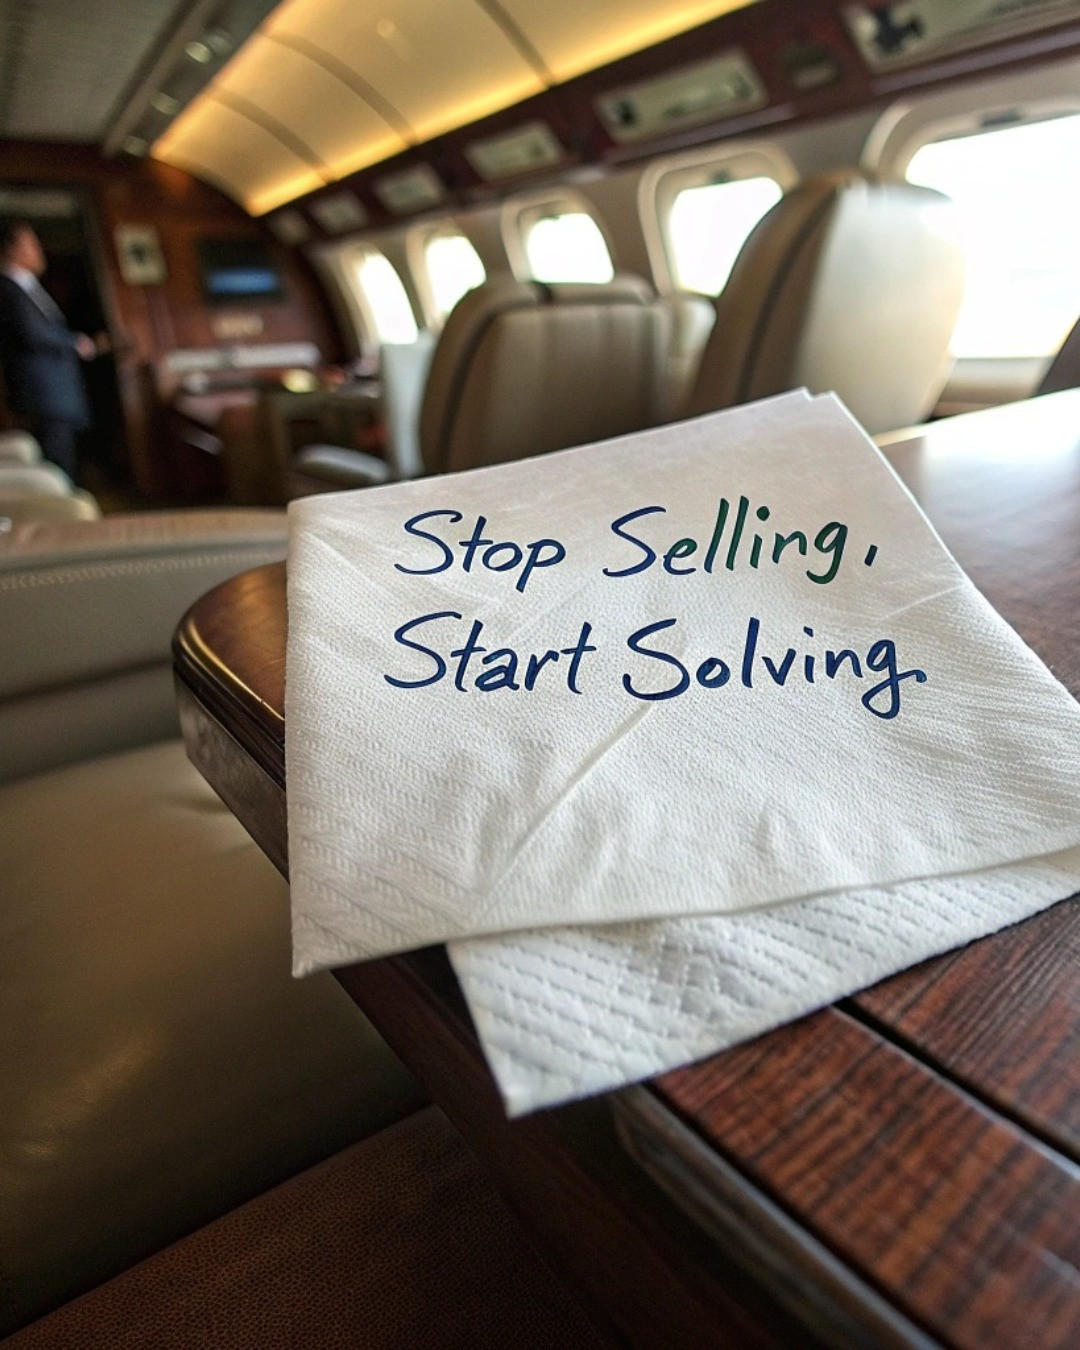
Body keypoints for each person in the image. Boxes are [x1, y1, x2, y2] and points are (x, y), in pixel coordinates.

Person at [0, 216, 95, 478]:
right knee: (54, 466)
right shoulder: (7, 287)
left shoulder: (29, 286)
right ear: (11, 249)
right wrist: (74, 342)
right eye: (31, 243)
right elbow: (31, 333)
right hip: (42, 392)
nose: (38, 250)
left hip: (57, 393)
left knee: (64, 460)